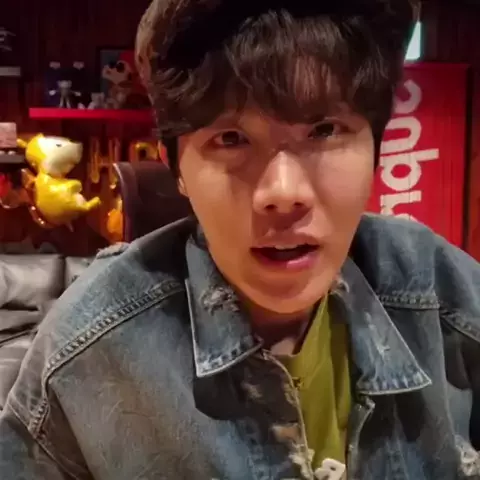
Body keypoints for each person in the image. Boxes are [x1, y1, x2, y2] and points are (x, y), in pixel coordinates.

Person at [1, 0, 480, 478]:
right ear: (175, 167)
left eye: (325, 130)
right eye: (231, 139)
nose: (283, 194)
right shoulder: (87, 353)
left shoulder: (445, 292)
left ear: (375, 148)